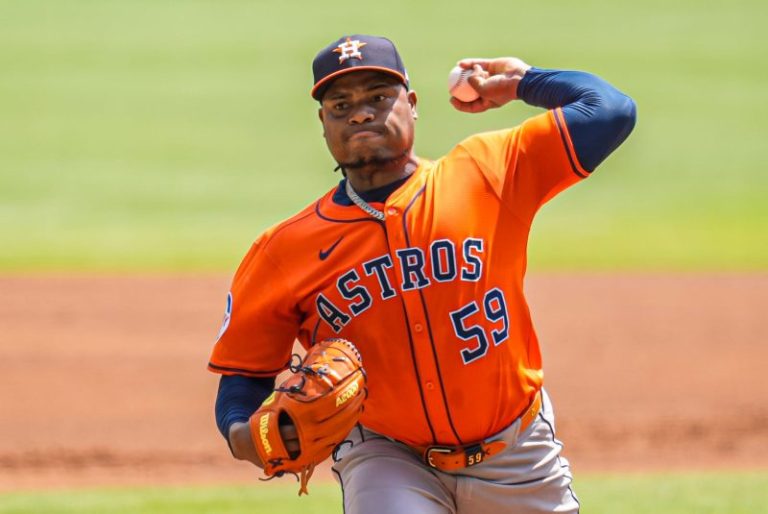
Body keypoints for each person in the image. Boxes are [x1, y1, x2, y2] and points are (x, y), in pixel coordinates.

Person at [209, 34, 636, 513]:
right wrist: (242, 433)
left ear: (412, 105)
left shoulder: (486, 172)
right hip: (385, 456)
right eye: (340, 105)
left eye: (378, 97)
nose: (360, 114)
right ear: (323, 124)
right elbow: (242, 377)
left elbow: (611, 111)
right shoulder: (283, 251)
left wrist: (522, 82)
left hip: (516, 451)